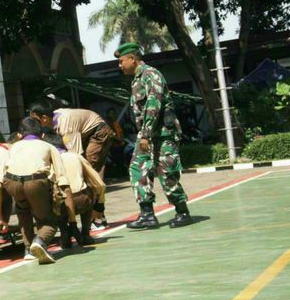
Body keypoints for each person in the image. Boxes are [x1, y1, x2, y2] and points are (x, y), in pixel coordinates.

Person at [115, 42, 192, 229]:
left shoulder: (151, 75)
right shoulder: (136, 80)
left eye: (121, 61)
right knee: (137, 169)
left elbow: (153, 105)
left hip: (163, 135)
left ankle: (182, 211)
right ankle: (147, 214)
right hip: (147, 136)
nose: (119, 65)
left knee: (167, 174)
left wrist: (145, 135)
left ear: (133, 59)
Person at [2, 117, 76, 265]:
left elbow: (0, 177)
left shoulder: (13, 147)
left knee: (22, 211)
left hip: (11, 182)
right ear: (42, 135)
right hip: (35, 182)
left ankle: (28, 249)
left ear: (19, 135)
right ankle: (40, 241)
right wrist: (72, 219)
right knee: (48, 221)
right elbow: (62, 180)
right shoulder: (48, 147)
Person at [29, 98, 112, 226]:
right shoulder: (53, 121)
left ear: (44, 118)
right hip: (84, 133)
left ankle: (97, 217)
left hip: (97, 132)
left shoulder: (66, 127)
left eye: (35, 122)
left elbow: (75, 157)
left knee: (89, 171)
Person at [46, 132, 106, 248]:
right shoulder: (75, 156)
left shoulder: (48, 160)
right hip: (81, 200)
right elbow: (98, 182)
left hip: (62, 205)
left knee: (54, 199)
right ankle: (85, 233)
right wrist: (100, 203)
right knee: (89, 191)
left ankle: (65, 234)